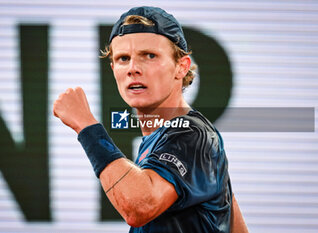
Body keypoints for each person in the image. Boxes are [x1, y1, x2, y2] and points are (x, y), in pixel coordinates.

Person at [53, 6, 248, 233]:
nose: (133, 69)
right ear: (113, 68)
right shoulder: (168, 137)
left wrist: (86, 125)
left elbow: (139, 207)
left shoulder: (190, 133)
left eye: (150, 56)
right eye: (123, 58)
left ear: (181, 67)